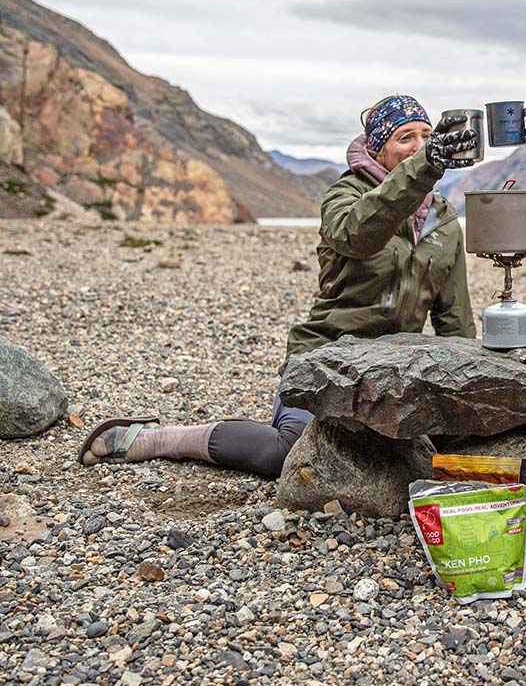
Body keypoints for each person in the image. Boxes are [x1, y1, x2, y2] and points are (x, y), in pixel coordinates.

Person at [79, 94, 478, 477]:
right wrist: (424, 166)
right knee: (287, 452)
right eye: (405, 137)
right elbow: (360, 234)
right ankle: (149, 439)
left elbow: (454, 318)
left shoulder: (442, 219)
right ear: (377, 149)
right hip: (326, 357)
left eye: (428, 136)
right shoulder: (345, 196)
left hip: (393, 368)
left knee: (452, 442)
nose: (420, 145)